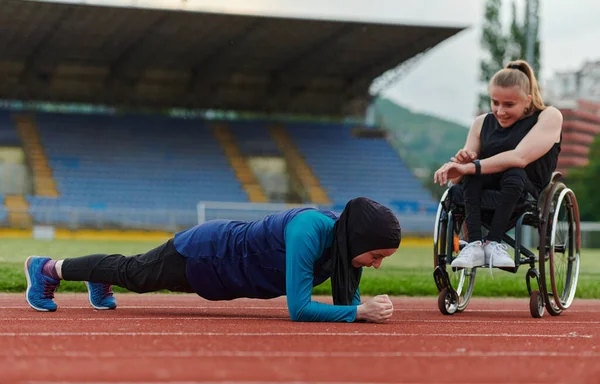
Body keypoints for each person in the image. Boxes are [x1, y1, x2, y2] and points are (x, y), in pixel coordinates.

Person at [25, 196, 401, 323]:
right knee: (135, 274)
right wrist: (360, 312)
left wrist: (366, 309)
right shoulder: (309, 230)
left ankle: (100, 276)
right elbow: (300, 309)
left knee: (133, 272)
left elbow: (347, 304)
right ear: (358, 238)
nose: (377, 264)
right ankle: (46, 268)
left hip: (220, 278)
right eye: (377, 255)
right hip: (207, 254)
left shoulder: (343, 250)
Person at [433, 59, 563, 270]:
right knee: (473, 173)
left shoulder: (549, 116)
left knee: (513, 171)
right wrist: (459, 164)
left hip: (524, 194)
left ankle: (494, 243)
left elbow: (519, 157)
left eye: (509, 105)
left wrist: (471, 166)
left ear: (527, 101)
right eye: (495, 102)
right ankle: (475, 244)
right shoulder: (481, 122)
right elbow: (459, 177)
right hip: (483, 192)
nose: (500, 111)